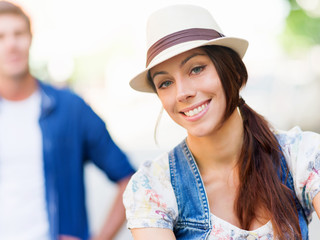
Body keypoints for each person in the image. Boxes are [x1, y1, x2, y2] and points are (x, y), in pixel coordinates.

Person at [123, 4, 320, 240]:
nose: (181, 93)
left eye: (196, 69)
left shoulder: (302, 155)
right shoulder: (153, 186)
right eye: (165, 83)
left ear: (234, 72)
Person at [0, 1, 135, 240]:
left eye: (18, 34)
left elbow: (130, 181)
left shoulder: (71, 109)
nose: (11, 44)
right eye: (1, 36)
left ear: (30, 38)